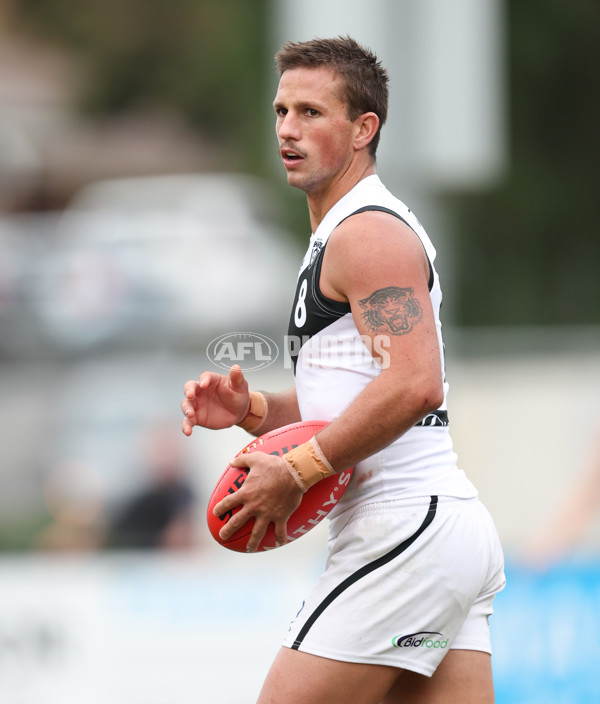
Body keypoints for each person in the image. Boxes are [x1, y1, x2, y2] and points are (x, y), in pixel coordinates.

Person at [181, 36, 505, 704]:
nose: (288, 130)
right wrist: (252, 412)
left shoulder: (367, 233)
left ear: (364, 129)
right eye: (281, 111)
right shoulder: (340, 234)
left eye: (310, 112)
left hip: (403, 528)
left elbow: (415, 384)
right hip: (439, 534)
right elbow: (359, 395)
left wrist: (298, 470)